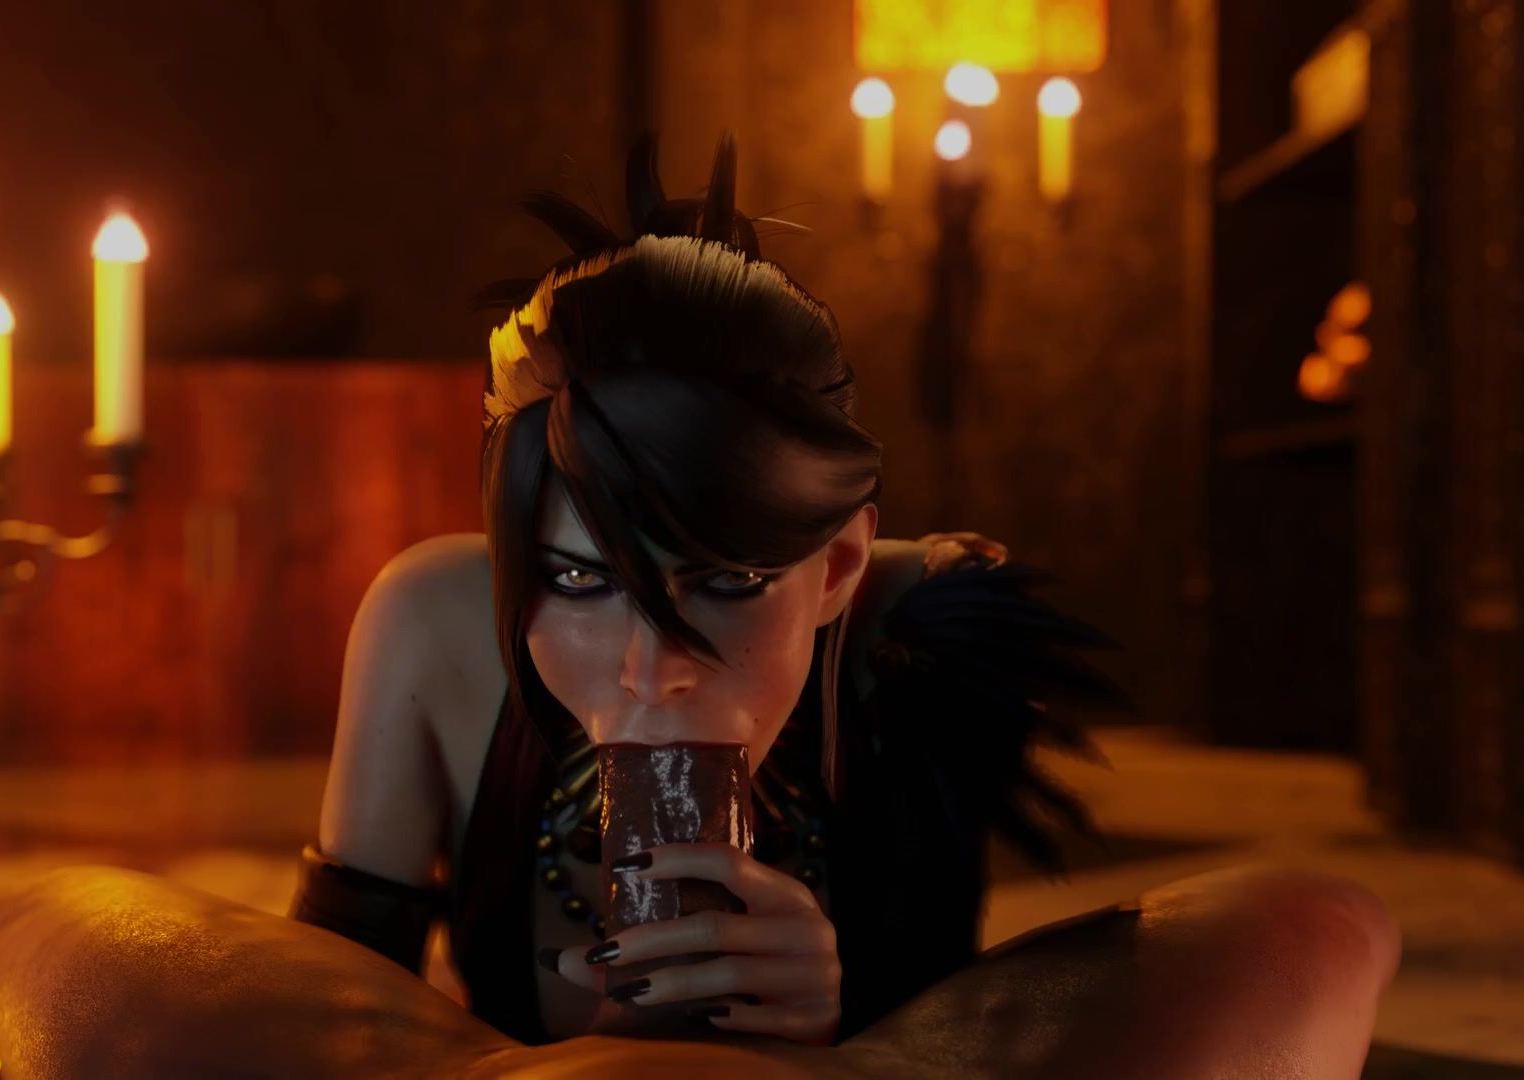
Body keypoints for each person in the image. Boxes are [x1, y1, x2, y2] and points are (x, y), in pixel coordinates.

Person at [287, 134, 1399, 1061]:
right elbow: (321, 1016)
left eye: (728, 583)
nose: (651, 669)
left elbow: (948, 1011)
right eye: (578, 580)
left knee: (1304, 934)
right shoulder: (434, 622)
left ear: (838, 571)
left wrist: (838, 1025)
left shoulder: (922, 645)